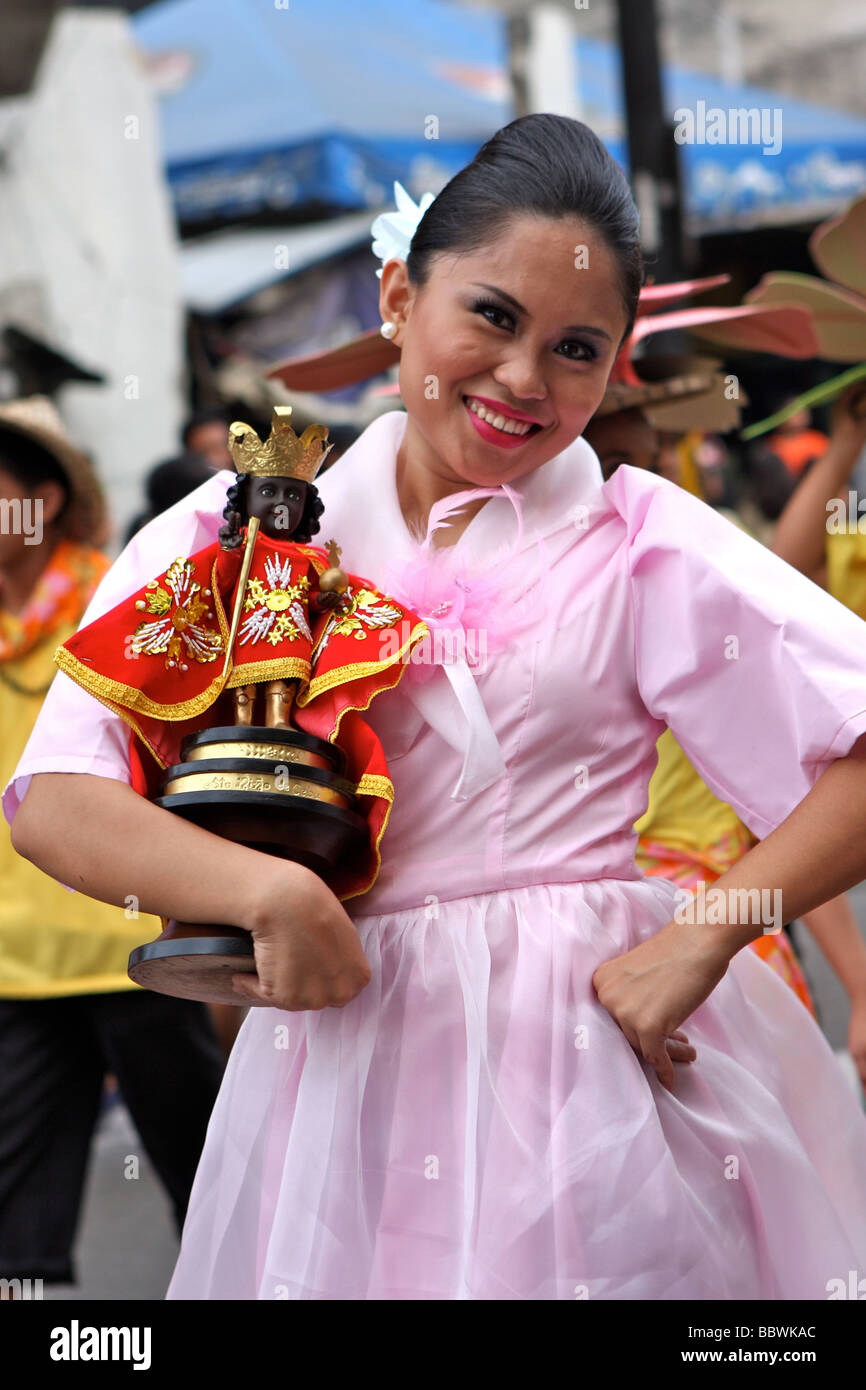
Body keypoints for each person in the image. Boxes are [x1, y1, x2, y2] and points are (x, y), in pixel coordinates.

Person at [6, 116, 866, 1300]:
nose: (522, 379)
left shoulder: (641, 544)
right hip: (342, 1078)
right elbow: (55, 793)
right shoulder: (244, 530)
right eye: (491, 316)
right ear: (399, 294)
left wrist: (701, 937)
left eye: (575, 347)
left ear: (617, 366)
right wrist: (266, 893)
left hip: (595, 1076)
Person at [0, 397, 225, 1293]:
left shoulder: (126, 602)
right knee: (15, 1238)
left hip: (133, 953)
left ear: (43, 500)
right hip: (17, 970)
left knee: (212, 1187)